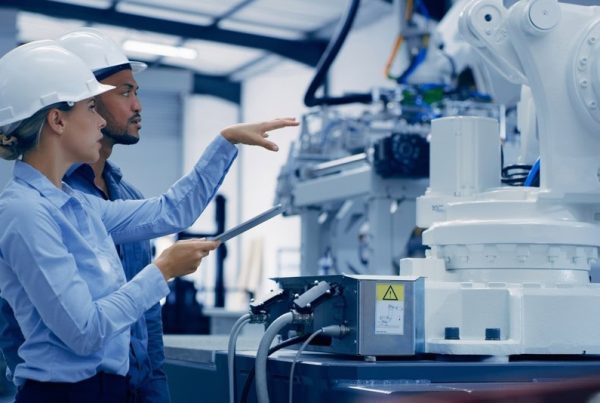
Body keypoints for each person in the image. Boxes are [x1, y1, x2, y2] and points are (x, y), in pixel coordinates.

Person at [0, 40, 297, 403]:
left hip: (106, 391)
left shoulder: (77, 205)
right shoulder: (25, 212)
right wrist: (162, 271)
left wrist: (226, 142)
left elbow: (168, 212)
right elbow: (85, 332)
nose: (99, 120)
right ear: (57, 120)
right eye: (91, 107)